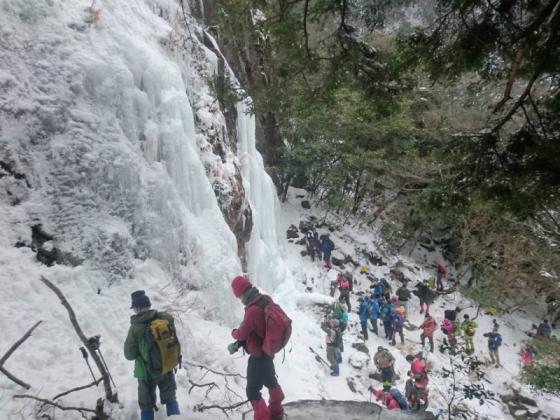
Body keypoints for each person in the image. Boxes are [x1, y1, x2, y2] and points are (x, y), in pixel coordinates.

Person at [229, 276, 285, 420]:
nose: (239, 298)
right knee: (270, 381)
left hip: (258, 356)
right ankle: (276, 412)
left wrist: (234, 333)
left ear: (240, 293)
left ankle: (263, 417)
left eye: (238, 295)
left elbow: (241, 334)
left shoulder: (252, 310)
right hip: (268, 352)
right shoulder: (265, 299)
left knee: (252, 392)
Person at [124, 290, 180, 420]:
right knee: (170, 398)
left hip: (146, 373)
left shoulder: (135, 327)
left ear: (137, 308)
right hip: (166, 366)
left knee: (146, 405)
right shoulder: (164, 318)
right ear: (148, 305)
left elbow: (129, 355)